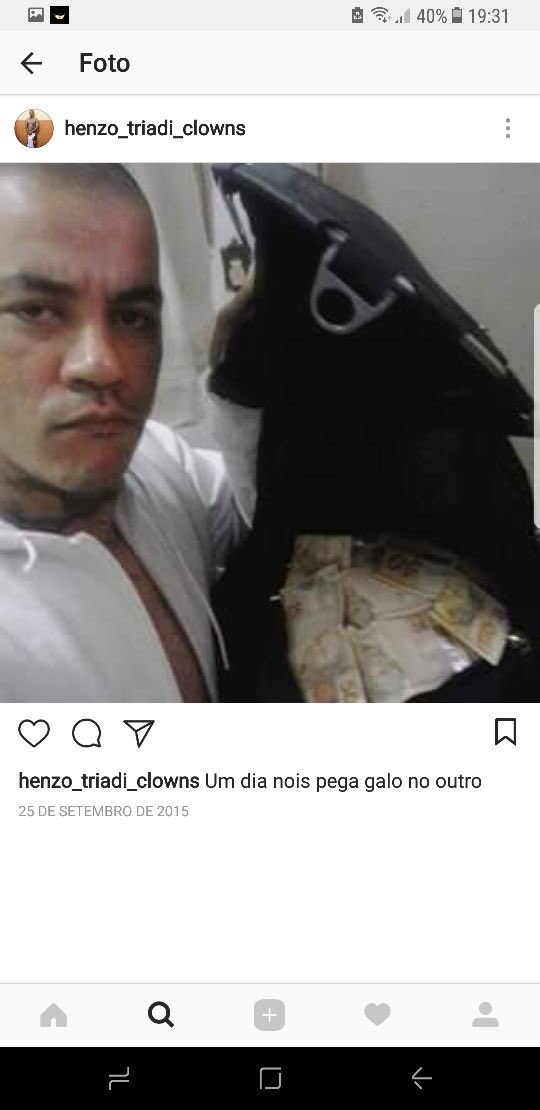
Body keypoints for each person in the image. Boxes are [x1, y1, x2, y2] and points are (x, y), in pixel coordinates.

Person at [0, 163, 250, 701]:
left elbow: (248, 515)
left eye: (132, 317)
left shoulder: (156, 462)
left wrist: (248, 385)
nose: (102, 364)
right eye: (36, 311)